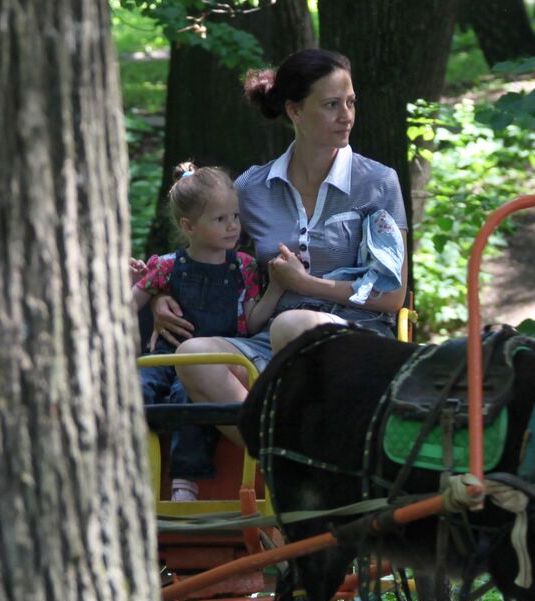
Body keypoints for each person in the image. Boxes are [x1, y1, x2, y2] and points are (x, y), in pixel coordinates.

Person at [152, 48, 410, 445]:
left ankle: (312, 462)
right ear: (294, 110)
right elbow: (212, 256)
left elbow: (392, 296)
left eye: (351, 102)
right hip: (269, 342)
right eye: (331, 105)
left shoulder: (378, 182)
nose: (347, 115)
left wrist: (307, 285)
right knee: (195, 355)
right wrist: (162, 296)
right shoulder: (251, 189)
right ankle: (282, 461)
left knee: (294, 323)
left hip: (360, 340)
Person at [132, 162, 265, 501]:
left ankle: (184, 481)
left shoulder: (245, 268)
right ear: (188, 226)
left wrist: (277, 288)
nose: (233, 226)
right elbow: (127, 305)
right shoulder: (166, 265)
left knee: (186, 397)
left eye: (235, 216)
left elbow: (251, 322)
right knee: (137, 389)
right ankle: (130, 469)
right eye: (220, 219)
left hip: (209, 357)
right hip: (165, 353)